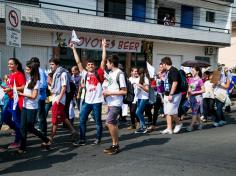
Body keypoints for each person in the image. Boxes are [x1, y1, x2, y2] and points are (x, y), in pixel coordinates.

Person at [71, 39, 106, 146]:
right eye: (89, 64)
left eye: (92, 65)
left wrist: (103, 47)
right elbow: (78, 62)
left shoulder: (99, 73)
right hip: (87, 101)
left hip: (97, 101)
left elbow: (103, 60)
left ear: (94, 66)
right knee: (82, 120)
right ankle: (82, 139)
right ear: (86, 67)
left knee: (98, 121)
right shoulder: (84, 73)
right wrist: (73, 49)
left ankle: (98, 138)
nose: (90, 66)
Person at [17, 61, 51, 153]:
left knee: (30, 128)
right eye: (26, 69)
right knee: (22, 127)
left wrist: (22, 94)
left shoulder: (37, 82)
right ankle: (22, 148)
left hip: (32, 108)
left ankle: (46, 139)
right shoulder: (28, 79)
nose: (26, 71)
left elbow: (34, 96)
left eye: (28, 69)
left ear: (33, 70)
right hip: (25, 106)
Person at [49, 58, 78, 142]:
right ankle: (73, 131)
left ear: (57, 65)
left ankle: (51, 137)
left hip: (60, 99)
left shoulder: (63, 73)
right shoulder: (55, 73)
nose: (51, 66)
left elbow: (64, 87)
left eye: (52, 64)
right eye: (50, 64)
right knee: (63, 116)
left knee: (54, 118)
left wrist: (59, 98)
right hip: (55, 97)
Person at [103, 54, 127, 155]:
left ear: (112, 63)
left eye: (107, 62)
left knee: (109, 122)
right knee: (113, 124)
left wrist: (109, 93)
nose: (106, 64)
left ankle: (115, 145)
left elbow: (124, 91)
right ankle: (115, 144)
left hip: (116, 103)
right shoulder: (111, 73)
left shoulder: (119, 73)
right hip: (110, 102)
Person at [2, 58, 26, 149]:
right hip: (10, 100)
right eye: (8, 64)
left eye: (11, 64)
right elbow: (10, 86)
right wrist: (5, 87)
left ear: (16, 65)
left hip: (16, 100)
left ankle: (18, 141)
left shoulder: (19, 74)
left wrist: (11, 89)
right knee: (5, 117)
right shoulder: (11, 75)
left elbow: (23, 87)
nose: (9, 65)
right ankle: (18, 130)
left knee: (17, 120)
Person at [161, 57, 182, 134]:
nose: (161, 66)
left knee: (171, 112)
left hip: (174, 94)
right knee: (167, 112)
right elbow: (168, 81)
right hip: (166, 94)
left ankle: (179, 124)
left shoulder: (174, 70)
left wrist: (171, 94)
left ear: (165, 64)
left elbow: (175, 82)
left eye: (162, 64)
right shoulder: (168, 71)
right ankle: (169, 128)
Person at [30, 57, 48, 136]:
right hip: (35, 97)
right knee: (37, 114)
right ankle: (38, 128)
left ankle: (43, 130)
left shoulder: (40, 71)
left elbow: (44, 84)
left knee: (41, 114)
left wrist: (35, 88)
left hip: (40, 97)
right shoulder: (35, 71)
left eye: (32, 63)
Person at [186, 67, 205, 132]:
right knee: (196, 113)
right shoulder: (190, 79)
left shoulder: (200, 80)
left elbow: (203, 90)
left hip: (198, 98)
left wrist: (195, 92)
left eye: (193, 71)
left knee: (194, 112)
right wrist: (188, 93)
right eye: (192, 71)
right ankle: (201, 124)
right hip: (191, 97)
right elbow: (189, 88)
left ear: (197, 72)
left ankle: (191, 126)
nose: (192, 72)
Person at [134, 68, 149, 134]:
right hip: (139, 97)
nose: (137, 73)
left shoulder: (146, 79)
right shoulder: (138, 79)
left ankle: (144, 126)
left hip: (144, 98)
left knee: (138, 112)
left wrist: (141, 86)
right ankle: (142, 126)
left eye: (138, 72)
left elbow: (147, 90)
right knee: (139, 112)